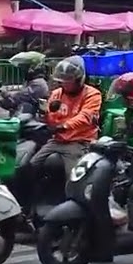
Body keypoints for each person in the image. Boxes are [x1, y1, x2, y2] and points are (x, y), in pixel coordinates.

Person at [26, 56, 102, 186]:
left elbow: (85, 117)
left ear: (79, 80)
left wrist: (63, 126)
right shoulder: (57, 93)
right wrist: (43, 118)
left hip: (78, 142)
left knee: (73, 178)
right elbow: (50, 117)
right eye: (62, 81)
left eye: (68, 81)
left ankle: (72, 197)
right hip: (57, 140)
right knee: (31, 166)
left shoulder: (92, 94)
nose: (64, 84)